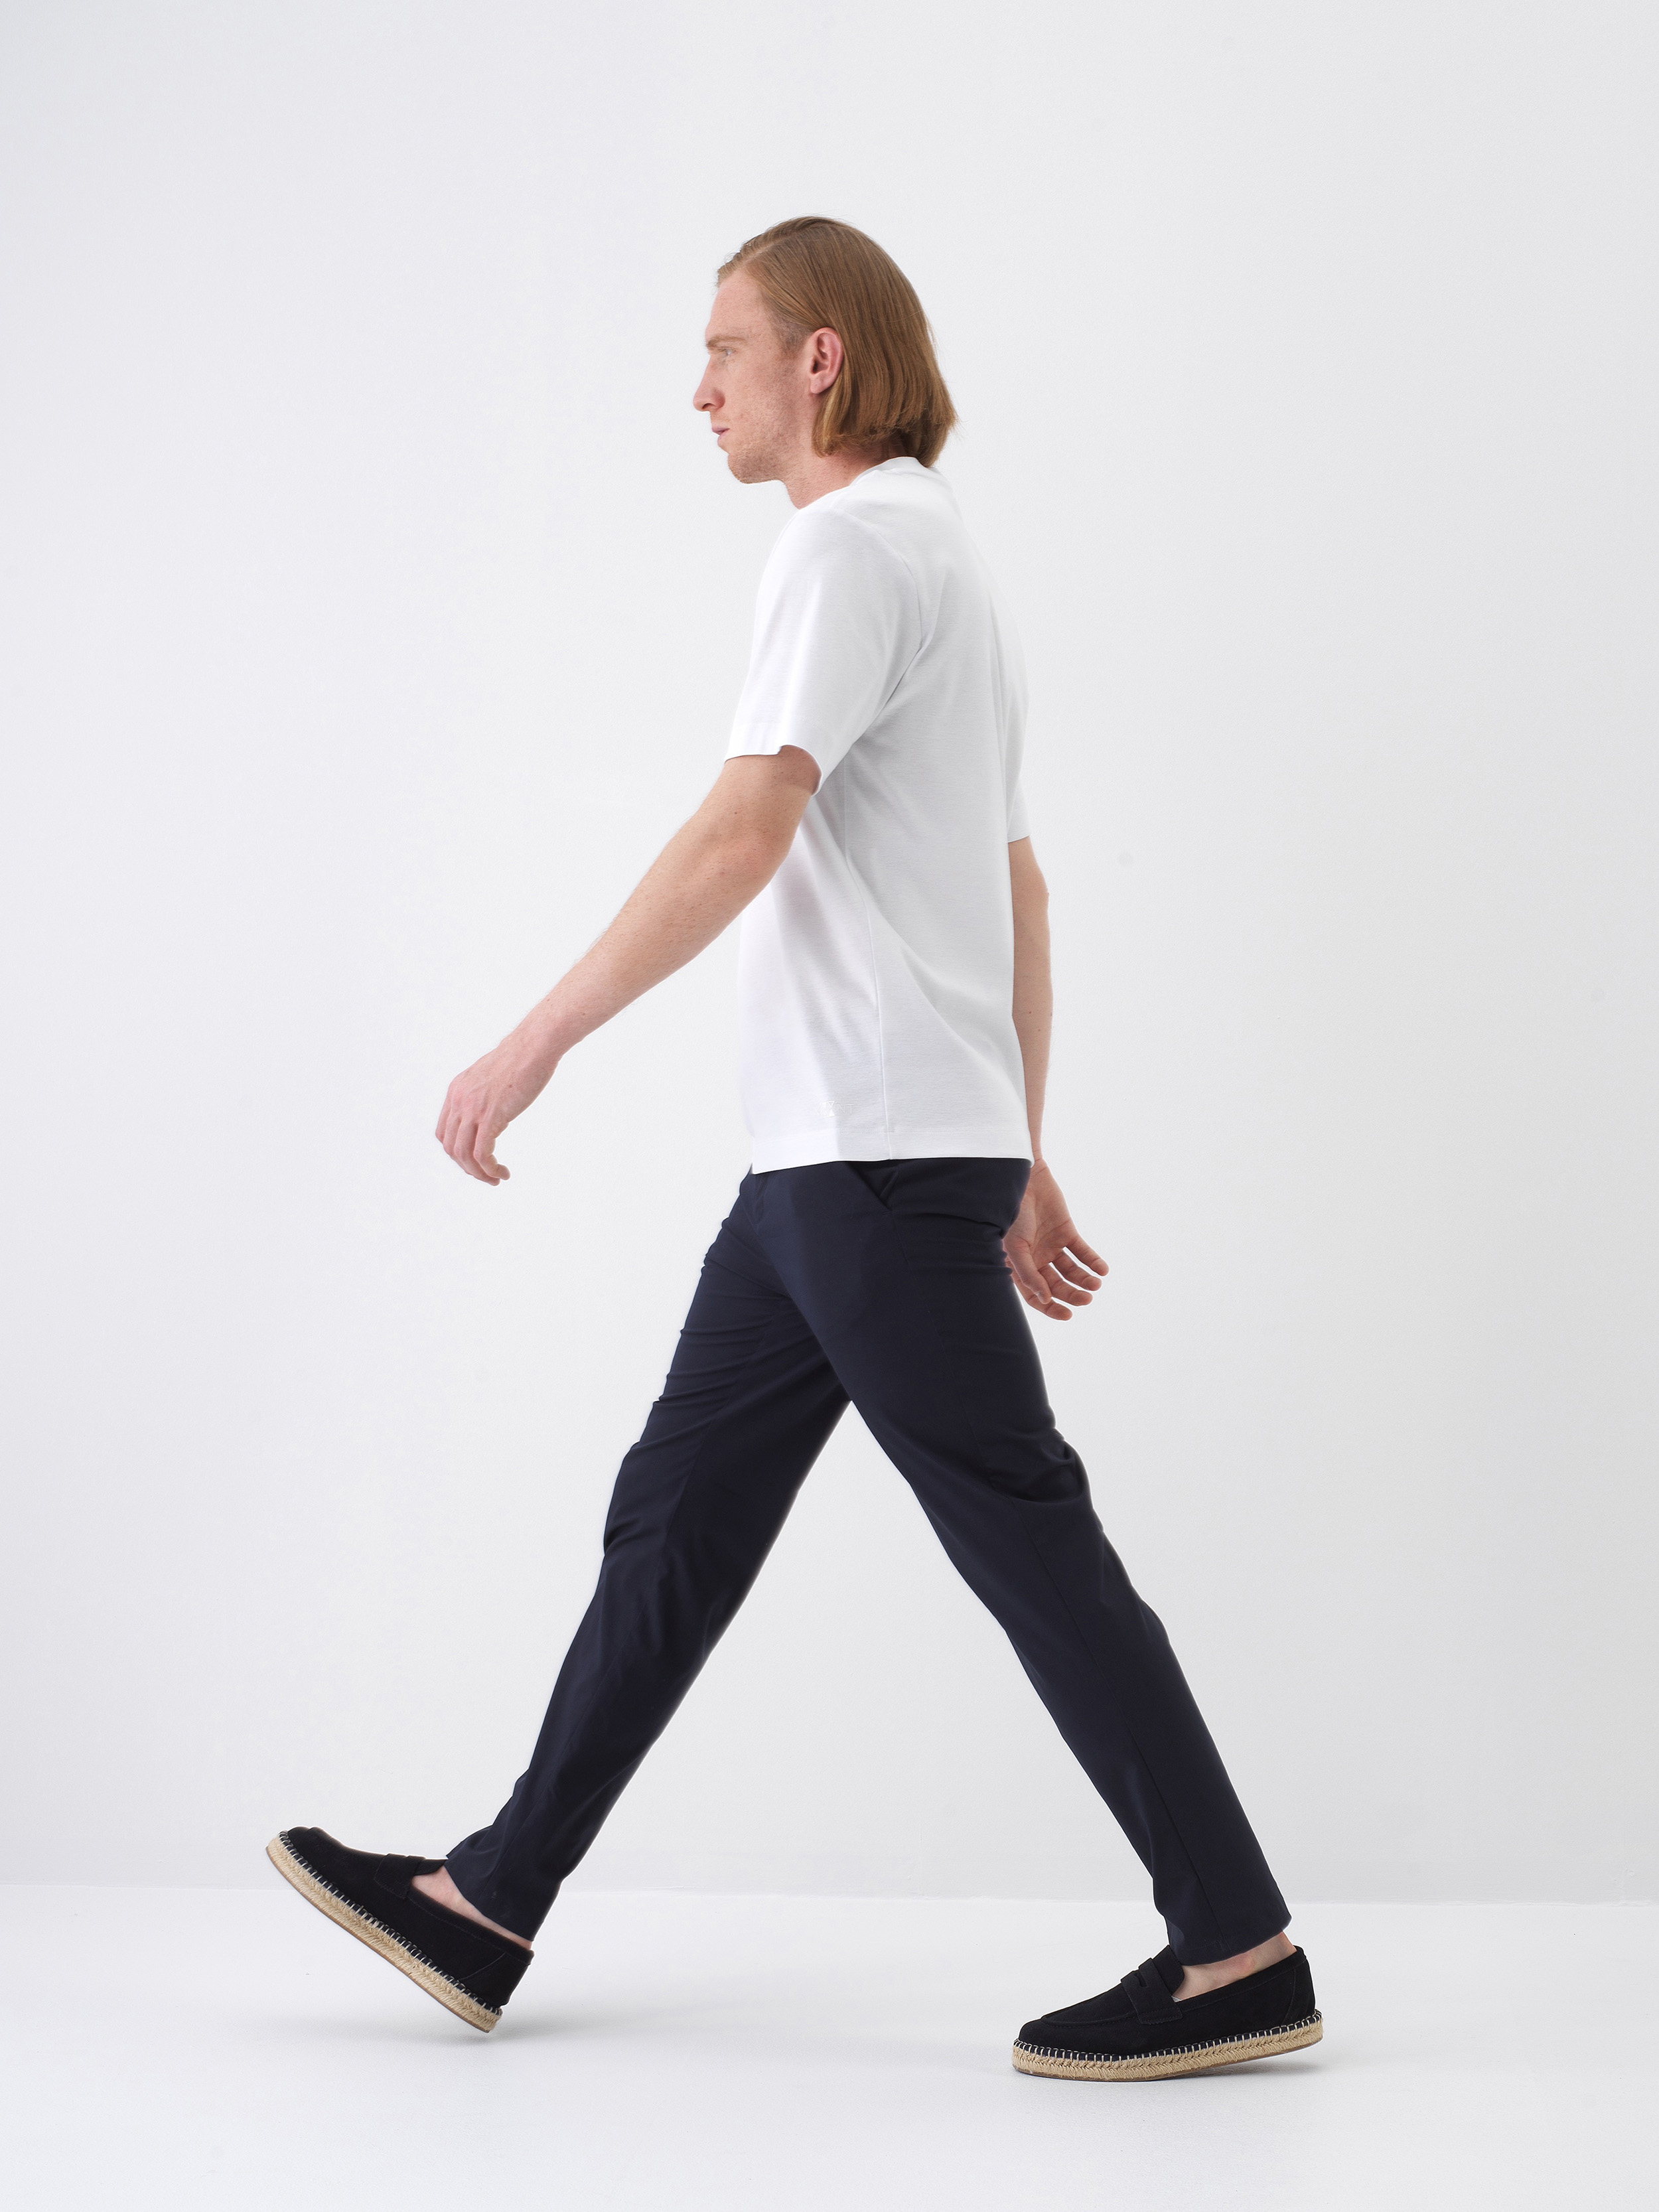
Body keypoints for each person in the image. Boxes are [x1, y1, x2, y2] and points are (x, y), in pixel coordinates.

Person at [269, 216, 1321, 2081]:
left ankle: (1236, 1946)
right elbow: (1015, 890)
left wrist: (533, 1041)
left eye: (724, 349)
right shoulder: (947, 560)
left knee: (1029, 1541)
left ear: (818, 358)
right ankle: (485, 1901)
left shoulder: (845, 551)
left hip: (869, 1168)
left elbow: (745, 829)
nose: (699, 389)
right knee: (675, 1523)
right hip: (847, 1164)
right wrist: (1014, 1140)